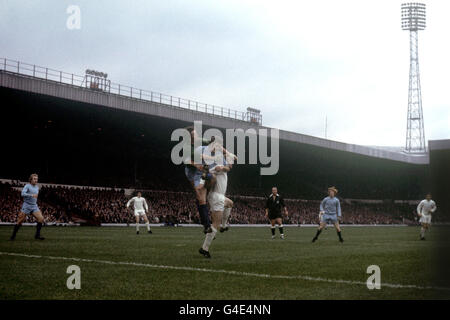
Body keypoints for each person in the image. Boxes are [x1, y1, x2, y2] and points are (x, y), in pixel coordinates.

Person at [199, 157, 233, 258]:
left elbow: (207, 175)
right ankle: (204, 248)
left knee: (230, 203)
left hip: (219, 196)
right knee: (215, 224)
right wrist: (225, 166)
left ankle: (223, 226)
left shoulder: (216, 168)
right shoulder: (218, 167)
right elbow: (227, 168)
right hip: (217, 197)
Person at [10, 173, 45, 240]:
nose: (36, 180)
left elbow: (35, 197)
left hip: (34, 206)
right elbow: (22, 194)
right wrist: (31, 195)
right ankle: (13, 236)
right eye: (34, 179)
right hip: (26, 205)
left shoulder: (37, 187)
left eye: (37, 179)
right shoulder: (27, 186)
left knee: (41, 219)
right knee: (20, 221)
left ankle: (37, 235)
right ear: (31, 179)